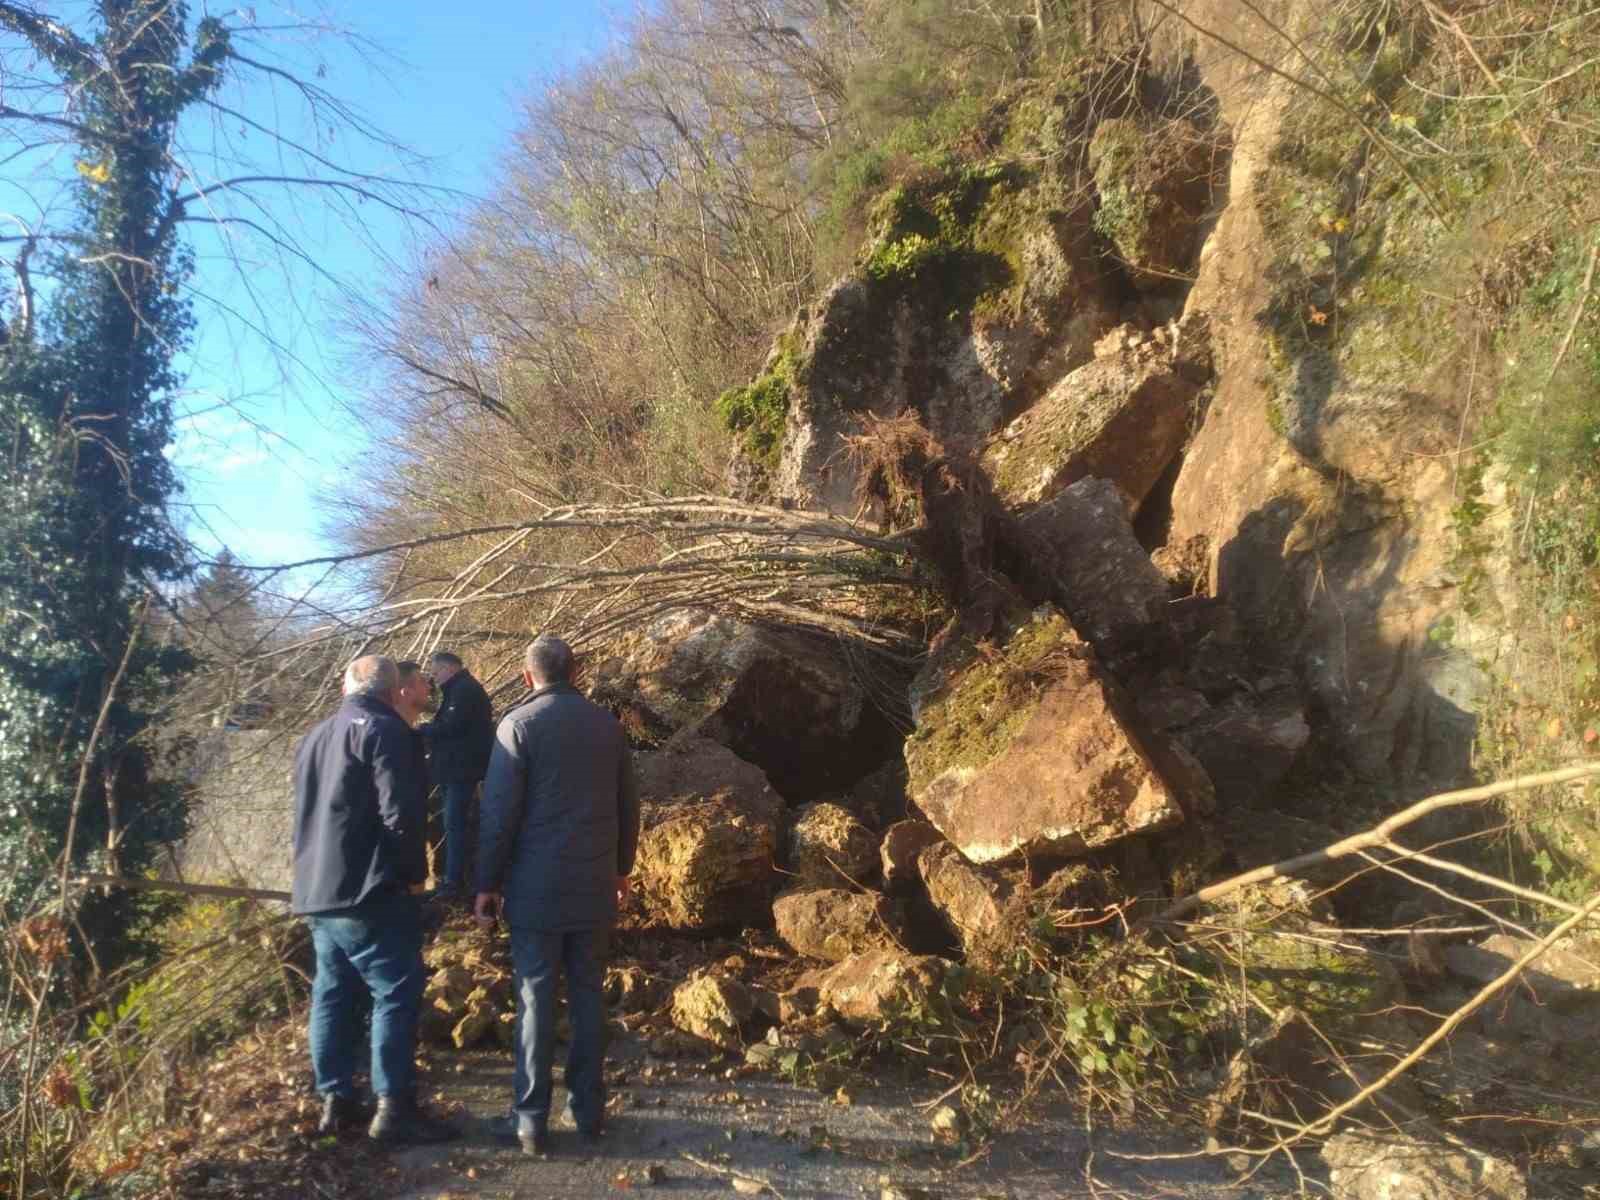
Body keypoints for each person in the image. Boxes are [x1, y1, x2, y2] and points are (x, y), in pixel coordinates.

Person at [476, 634, 640, 1157]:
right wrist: (622, 870)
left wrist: (487, 883)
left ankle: (530, 1121)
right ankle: (588, 1112)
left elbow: (499, 816)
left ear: (528, 676)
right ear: (577, 670)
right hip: (593, 884)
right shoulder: (608, 726)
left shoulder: (517, 726)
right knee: (588, 995)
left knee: (535, 998)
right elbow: (627, 806)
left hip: (534, 888)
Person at [290, 654, 459, 1146]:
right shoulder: (387, 732)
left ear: (346, 686)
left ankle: (337, 1101)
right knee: (395, 991)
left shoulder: (314, 737)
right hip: (370, 889)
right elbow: (401, 815)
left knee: (332, 994)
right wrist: (412, 876)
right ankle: (394, 1107)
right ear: (392, 692)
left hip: (318, 890)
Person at [418, 651, 495, 896]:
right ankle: (453, 878)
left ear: (450, 668)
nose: (434, 677)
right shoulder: (459, 689)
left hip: (462, 770)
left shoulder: (463, 690)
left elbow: (452, 726)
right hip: (457, 768)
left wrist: (423, 729)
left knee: (454, 824)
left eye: (436, 671)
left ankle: (454, 881)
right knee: (452, 824)